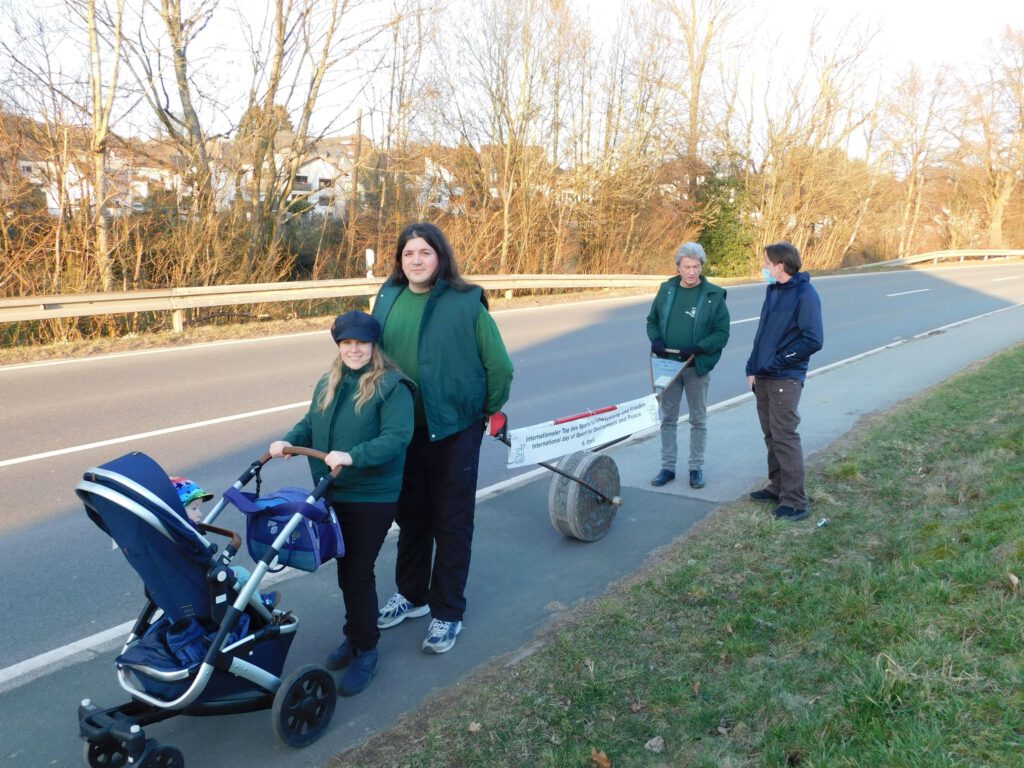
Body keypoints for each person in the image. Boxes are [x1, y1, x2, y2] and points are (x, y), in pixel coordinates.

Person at [371, 221, 514, 655]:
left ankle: (447, 612)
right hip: (402, 431)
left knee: (451, 523)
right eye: (408, 253)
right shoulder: (388, 297)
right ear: (400, 259)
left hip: (454, 430)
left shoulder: (466, 301)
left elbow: (500, 366)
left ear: (441, 257)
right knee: (411, 518)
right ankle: (412, 595)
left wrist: (483, 410)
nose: (415, 260)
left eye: (424, 253)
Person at [269, 310, 414, 696]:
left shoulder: (391, 386)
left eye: (361, 343)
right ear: (339, 346)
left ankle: (367, 648)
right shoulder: (329, 383)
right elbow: (310, 423)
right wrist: (287, 441)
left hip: (372, 495)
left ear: (372, 346)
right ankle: (354, 635)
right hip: (331, 491)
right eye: (346, 343)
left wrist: (353, 455)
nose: (354, 349)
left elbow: (397, 438)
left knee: (357, 570)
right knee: (346, 570)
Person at [745, 241, 824, 521]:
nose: (763, 267)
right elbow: (763, 333)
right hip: (764, 377)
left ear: (780, 265)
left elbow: (813, 340)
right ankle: (777, 487)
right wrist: (752, 367)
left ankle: (795, 502)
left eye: (766, 263)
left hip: (785, 379)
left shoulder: (805, 293)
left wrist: (778, 362)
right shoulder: (774, 290)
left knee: (785, 437)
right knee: (771, 436)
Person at [646, 242, 730, 489]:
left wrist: (700, 347)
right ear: (678, 268)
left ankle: (695, 468)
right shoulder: (667, 290)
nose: (692, 271)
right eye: (687, 267)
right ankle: (668, 467)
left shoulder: (713, 295)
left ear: (702, 266)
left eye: (696, 266)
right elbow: (652, 321)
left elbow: (722, 332)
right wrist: (656, 340)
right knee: (668, 418)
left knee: (698, 419)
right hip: (668, 367)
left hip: (695, 367)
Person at [169, 476, 278, 609]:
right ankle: (261, 606)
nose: (200, 514)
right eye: (194, 508)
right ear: (177, 511)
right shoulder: (187, 538)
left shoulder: (167, 535)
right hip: (204, 582)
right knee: (241, 574)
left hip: (181, 586)